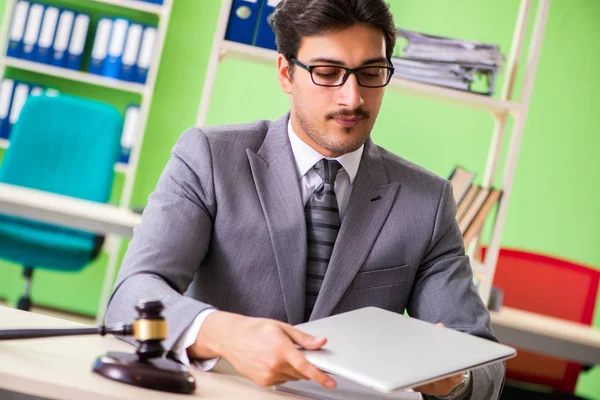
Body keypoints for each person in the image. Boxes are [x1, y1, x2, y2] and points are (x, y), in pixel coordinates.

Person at [105, 0, 505, 398]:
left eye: (371, 73)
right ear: (285, 72)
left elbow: (484, 361)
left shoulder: (428, 201)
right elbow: (131, 295)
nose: (353, 98)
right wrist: (220, 332)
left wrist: (454, 377)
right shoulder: (209, 157)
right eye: (328, 73)